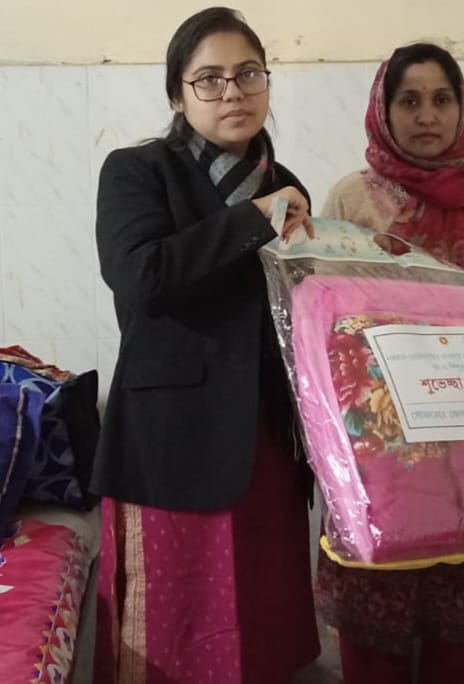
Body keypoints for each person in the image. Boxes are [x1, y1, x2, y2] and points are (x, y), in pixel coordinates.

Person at [91, 7, 318, 683]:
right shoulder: (137, 170)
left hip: (267, 434)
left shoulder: (285, 186)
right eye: (209, 79)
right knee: (176, 621)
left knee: (263, 615)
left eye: (248, 74)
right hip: (173, 438)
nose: (233, 93)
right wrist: (252, 220)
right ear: (177, 94)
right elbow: (139, 278)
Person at [316, 42, 464, 684]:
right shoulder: (352, 199)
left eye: (441, 99)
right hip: (377, 447)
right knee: (374, 606)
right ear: (383, 110)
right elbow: (321, 311)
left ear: (461, 107)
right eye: (409, 100)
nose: (426, 116)